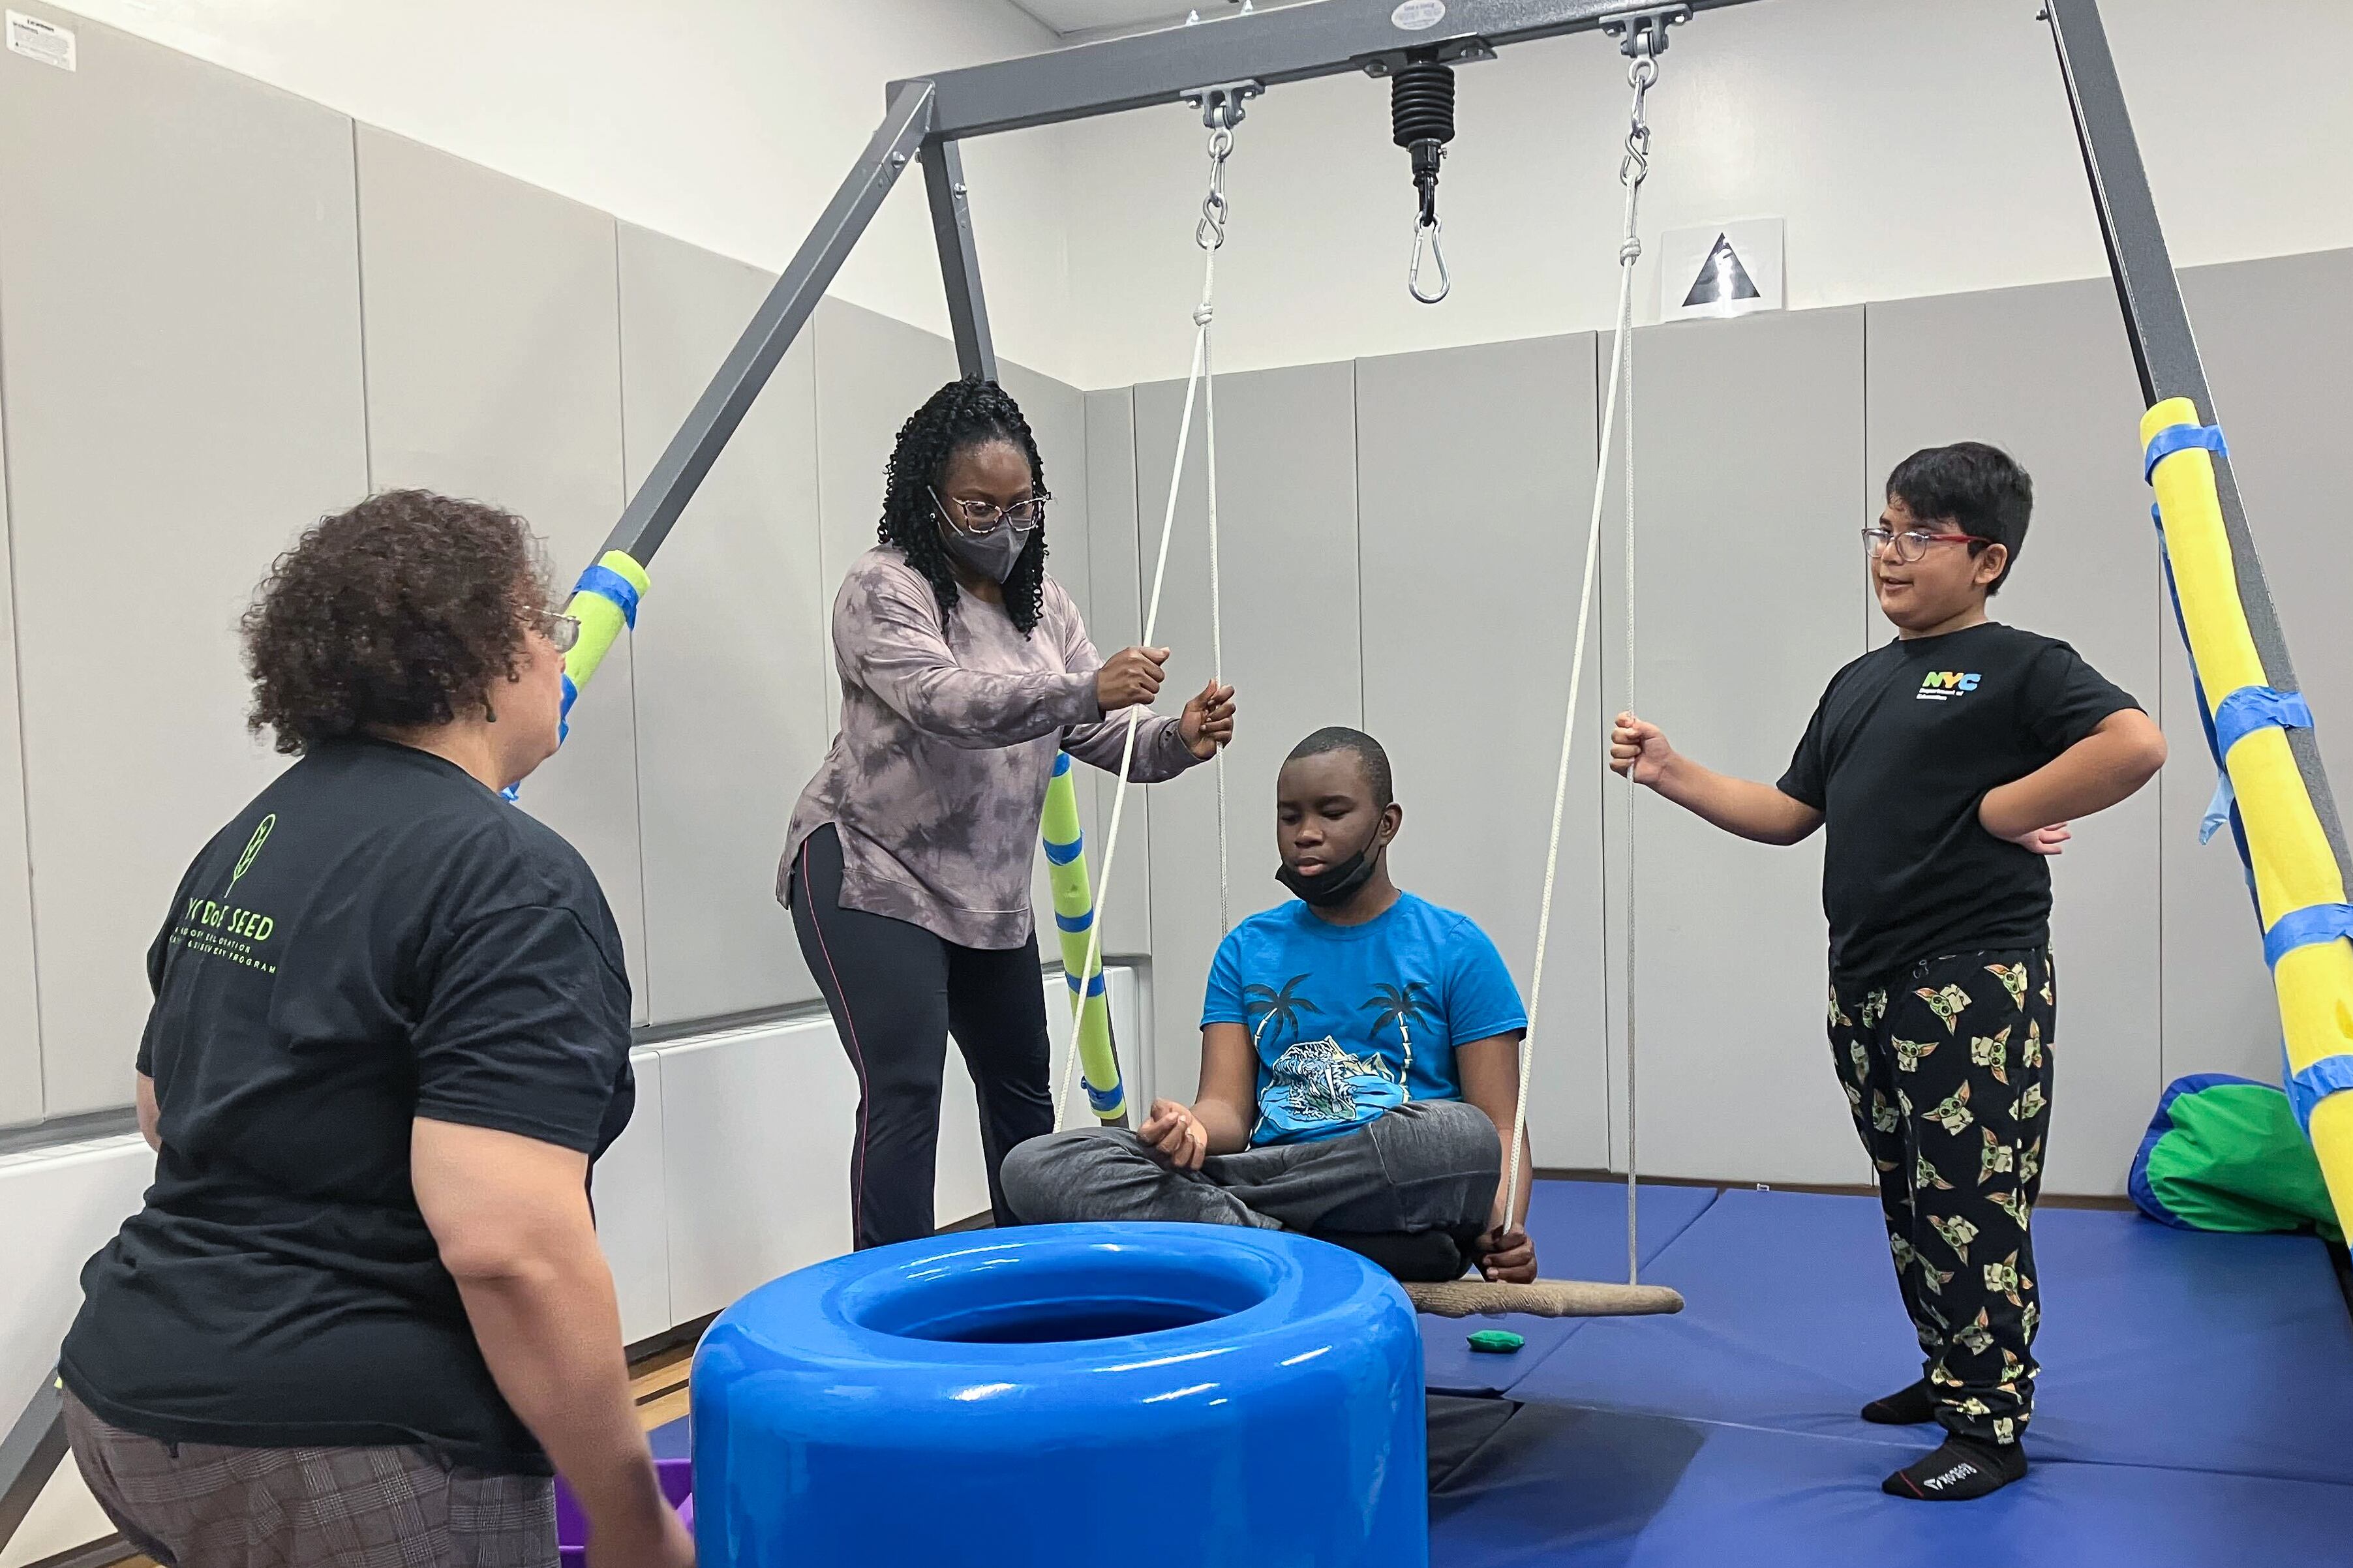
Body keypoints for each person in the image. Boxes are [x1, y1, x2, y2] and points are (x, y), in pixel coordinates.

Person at [56, 491, 690, 1568]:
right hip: (351, 1444)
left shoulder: (254, 832)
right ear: (483, 654)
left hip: (128, 1395)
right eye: (543, 624)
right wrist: (631, 1514)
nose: (555, 650)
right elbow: (510, 1245)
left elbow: (166, 1108)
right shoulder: (515, 881)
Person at [1611, 442, 2166, 1501]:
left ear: (1987, 558)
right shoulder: (1859, 681)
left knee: (1973, 1196)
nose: (1891, 554)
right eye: (1882, 529)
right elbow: (1788, 814)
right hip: (1865, 981)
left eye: (1920, 535)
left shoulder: (2020, 665)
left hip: (1970, 982)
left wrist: (2009, 805)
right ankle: (1950, 1366)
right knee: (1911, 1191)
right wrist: (1671, 769)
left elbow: (2133, 744)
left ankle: (1989, 1423)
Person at [782, 377, 1236, 1252]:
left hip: (988, 899)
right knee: (905, 1088)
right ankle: (893, 1302)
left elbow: (1108, 739)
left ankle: (1030, 1281)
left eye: (1022, 505)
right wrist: (1080, 690)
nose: (1006, 525)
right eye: (979, 507)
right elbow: (941, 700)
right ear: (930, 500)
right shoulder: (883, 588)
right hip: (871, 870)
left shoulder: (1041, 605)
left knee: (1022, 1086)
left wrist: (1178, 737)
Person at [1003, 727, 1538, 1287]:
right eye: (1289, 817)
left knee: (1459, 1138)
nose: (1306, 834)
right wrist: (1191, 1129)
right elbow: (1228, 1112)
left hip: (1388, 1179)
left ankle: (1240, 1243)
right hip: (1265, 1175)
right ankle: (1298, 1248)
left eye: (1332, 813)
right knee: (1035, 1166)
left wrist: (1501, 1229)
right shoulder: (1244, 948)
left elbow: (1501, 1125)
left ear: (1387, 824)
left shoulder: (1455, 945)